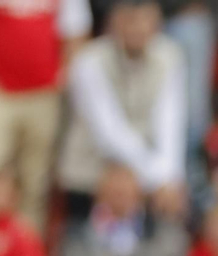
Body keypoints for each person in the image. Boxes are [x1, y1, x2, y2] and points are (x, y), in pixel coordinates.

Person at [0, 0, 91, 229]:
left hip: (42, 95)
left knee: (35, 182)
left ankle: (27, 255)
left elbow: (77, 33)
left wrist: (63, 76)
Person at [56, 0, 187, 221]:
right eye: (130, 20)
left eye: (146, 19)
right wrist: (157, 177)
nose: (138, 27)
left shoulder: (170, 56)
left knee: (171, 209)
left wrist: (169, 178)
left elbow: (170, 122)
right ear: (113, 22)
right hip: (92, 170)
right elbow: (109, 132)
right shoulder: (88, 62)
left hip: (149, 175)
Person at [61, 161, 189, 256]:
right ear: (98, 193)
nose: (119, 194)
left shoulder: (159, 227)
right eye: (114, 190)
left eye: (124, 190)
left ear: (139, 193)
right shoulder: (76, 231)